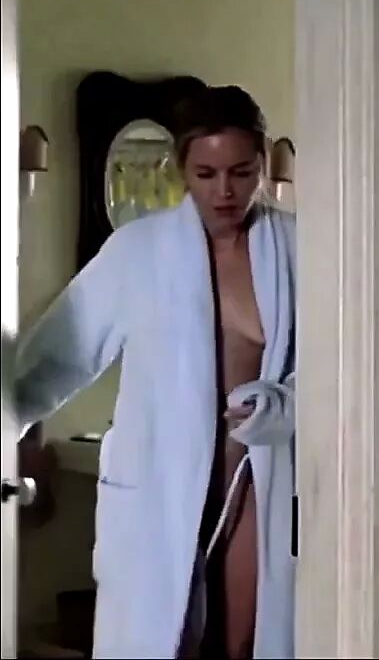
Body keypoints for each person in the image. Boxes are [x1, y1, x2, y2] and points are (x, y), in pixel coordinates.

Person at [16, 85, 296, 660]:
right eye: (206, 174)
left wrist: (283, 406)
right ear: (180, 168)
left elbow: (346, 374)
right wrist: (14, 433)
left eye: (241, 172)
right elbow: (53, 360)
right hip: (157, 488)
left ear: (263, 163)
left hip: (256, 477)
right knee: (165, 642)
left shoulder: (302, 249)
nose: (224, 191)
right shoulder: (136, 251)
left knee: (247, 640)